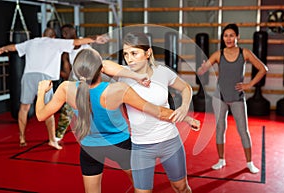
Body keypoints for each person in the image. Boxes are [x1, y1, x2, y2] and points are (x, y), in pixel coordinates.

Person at [35, 48, 200, 193]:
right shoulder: (117, 90)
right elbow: (156, 111)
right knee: (141, 187)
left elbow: (41, 115)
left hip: (90, 148)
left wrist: (42, 90)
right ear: (100, 68)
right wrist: (184, 117)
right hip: (120, 144)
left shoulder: (66, 89)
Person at [105, 32, 194, 193]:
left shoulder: (162, 72)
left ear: (148, 53)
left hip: (169, 141)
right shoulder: (123, 75)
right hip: (141, 146)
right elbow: (101, 65)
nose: (129, 59)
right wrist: (134, 76)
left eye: (134, 53)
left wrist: (184, 107)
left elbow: (186, 88)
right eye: (125, 54)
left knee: (181, 187)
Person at [0, 28, 104, 149]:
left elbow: (14, 47)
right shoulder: (55, 42)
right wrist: (94, 38)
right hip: (45, 77)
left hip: (28, 76)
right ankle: (52, 140)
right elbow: (76, 42)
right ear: (53, 36)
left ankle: (22, 138)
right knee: (49, 109)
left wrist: (3, 48)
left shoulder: (32, 42)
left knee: (24, 108)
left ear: (42, 35)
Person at [197, 23, 268, 174]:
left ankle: (249, 163)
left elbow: (263, 69)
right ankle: (221, 160)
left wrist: (249, 84)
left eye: (231, 35)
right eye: (225, 36)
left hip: (237, 98)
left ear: (237, 37)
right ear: (222, 38)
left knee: (243, 131)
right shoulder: (218, 54)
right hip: (220, 97)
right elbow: (201, 70)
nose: (228, 39)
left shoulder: (245, 53)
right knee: (220, 129)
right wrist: (202, 68)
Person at [55, 24, 105, 141]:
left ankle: (99, 131)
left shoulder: (86, 47)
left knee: (93, 107)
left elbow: (97, 63)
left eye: (66, 33)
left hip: (90, 79)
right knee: (68, 108)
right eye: (63, 33)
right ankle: (59, 134)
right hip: (76, 80)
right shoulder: (68, 50)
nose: (64, 35)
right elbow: (68, 71)